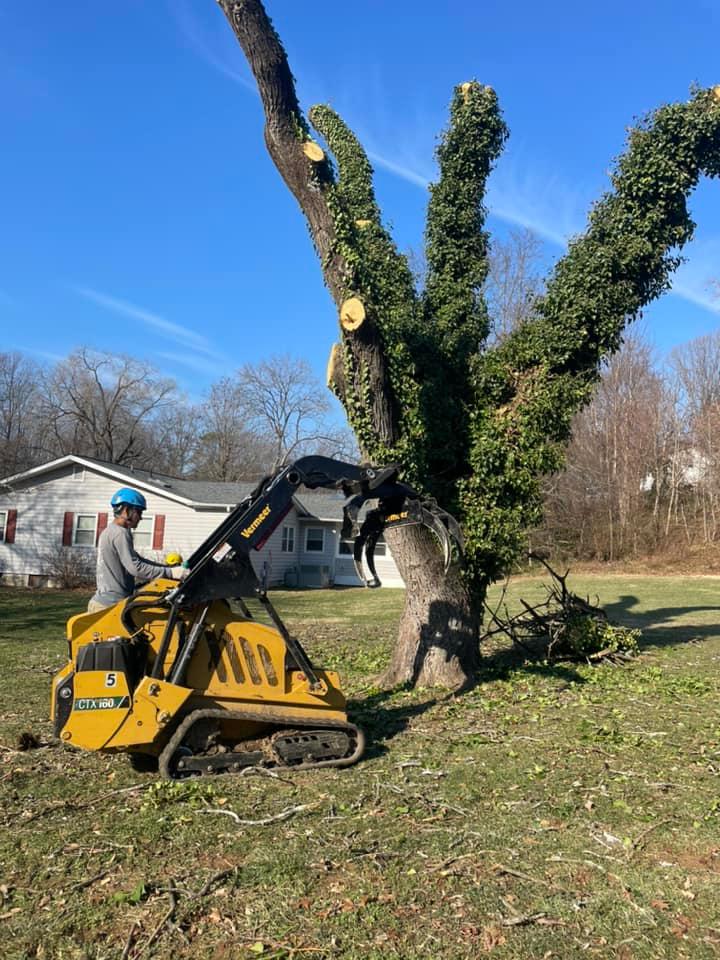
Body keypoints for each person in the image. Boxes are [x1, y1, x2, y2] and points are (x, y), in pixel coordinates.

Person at [88, 487, 187, 612]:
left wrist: (169, 569)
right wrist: (172, 573)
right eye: (138, 512)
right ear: (126, 510)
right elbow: (135, 568)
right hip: (109, 606)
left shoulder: (112, 531)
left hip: (106, 602)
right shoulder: (120, 533)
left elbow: (138, 560)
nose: (140, 517)